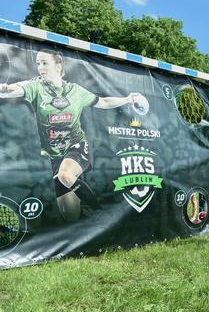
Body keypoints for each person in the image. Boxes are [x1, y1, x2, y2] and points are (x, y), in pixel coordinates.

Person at [0, 48, 147, 221]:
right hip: (55, 156)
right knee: (70, 215)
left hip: (77, 146)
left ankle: (102, 214)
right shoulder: (36, 87)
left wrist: (128, 99)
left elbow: (104, 102)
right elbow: (12, 90)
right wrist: (6, 89)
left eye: (45, 63)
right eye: (38, 63)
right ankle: (90, 220)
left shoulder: (76, 91)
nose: (40, 68)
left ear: (59, 65)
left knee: (65, 175)